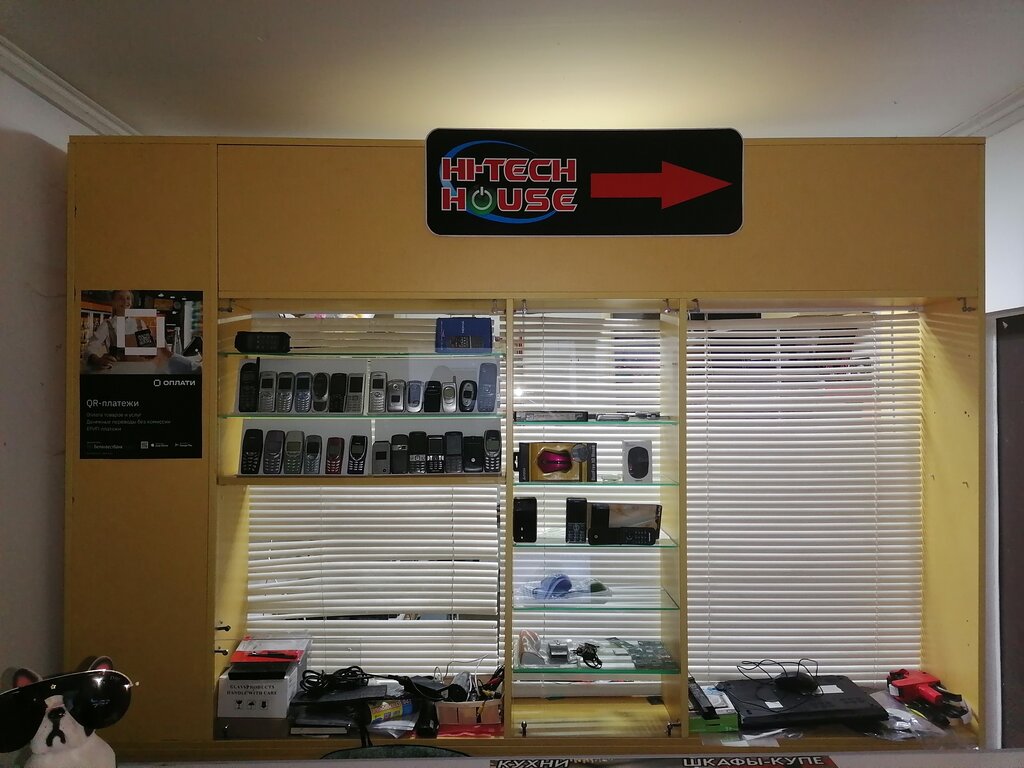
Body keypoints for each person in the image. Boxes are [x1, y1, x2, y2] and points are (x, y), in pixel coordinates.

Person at [84, 290, 140, 369]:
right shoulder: (107, 325)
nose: (125, 301)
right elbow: (90, 348)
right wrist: (97, 360)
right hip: (117, 371)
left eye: (128, 298)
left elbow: (148, 348)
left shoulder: (139, 323)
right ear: (113, 303)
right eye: (121, 298)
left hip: (139, 370)